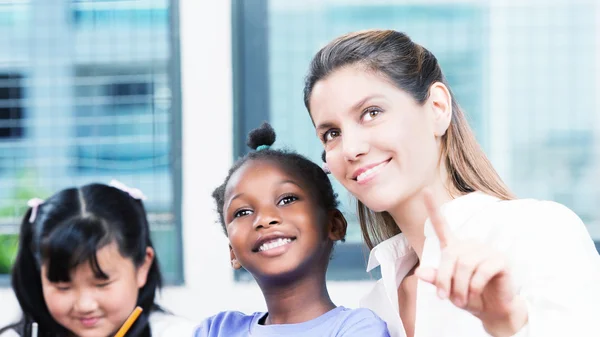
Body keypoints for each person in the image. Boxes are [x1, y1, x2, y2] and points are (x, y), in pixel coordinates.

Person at [303, 29, 600, 337]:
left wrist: (508, 325)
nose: (351, 148)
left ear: (437, 108)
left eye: (372, 112)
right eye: (331, 134)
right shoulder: (375, 307)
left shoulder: (539, 232)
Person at [195, 122, 390, 337]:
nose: (265, 219)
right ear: (233, 252)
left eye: (287, 199)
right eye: (242, 212)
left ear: (334, 224)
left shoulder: (359, 327)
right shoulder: (217, 329)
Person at [0, 181, 196, 337]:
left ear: (142, 267)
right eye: (63, 287)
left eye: (102, 283)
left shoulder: (179, 333)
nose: (85, 305)